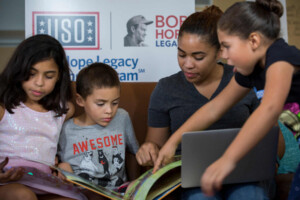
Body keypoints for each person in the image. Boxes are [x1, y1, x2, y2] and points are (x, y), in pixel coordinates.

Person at [152, 0, 300, 198]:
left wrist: (228, 159)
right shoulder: (249, 70)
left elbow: (268, 110)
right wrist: (172, 142)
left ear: (254, 41)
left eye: (227, 47)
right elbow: (214, 108)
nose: (224, 56)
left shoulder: (280, 58)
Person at [136, 6, 268, 200]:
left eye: (198, 57)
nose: (187, 64)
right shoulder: (166, 88)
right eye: (181, 54)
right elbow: (156, 145)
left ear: (220, 52)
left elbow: (275, 145)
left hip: (244, 176)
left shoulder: (245, 80)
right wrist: (150, 149)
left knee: (249, 195)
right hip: (192, 180)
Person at [0, 34, 86, 200]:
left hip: (43, 182)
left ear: (59, 76)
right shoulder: (4, 108)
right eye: (31, 74)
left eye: (48, 76)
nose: (39, 83)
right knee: (23, 196)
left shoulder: (64, 110)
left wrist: (62, 164)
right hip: (7, 182)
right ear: (18, 70)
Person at [58, 63, 139, 196]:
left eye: (115, 103)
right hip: (84, 193)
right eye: (100, 104)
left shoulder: (122, 118)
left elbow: (134, 152)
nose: (109, 111)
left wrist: (135, 183)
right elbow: (60, 166)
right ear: (80, 100)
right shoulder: (66, 129)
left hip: (118, 192)